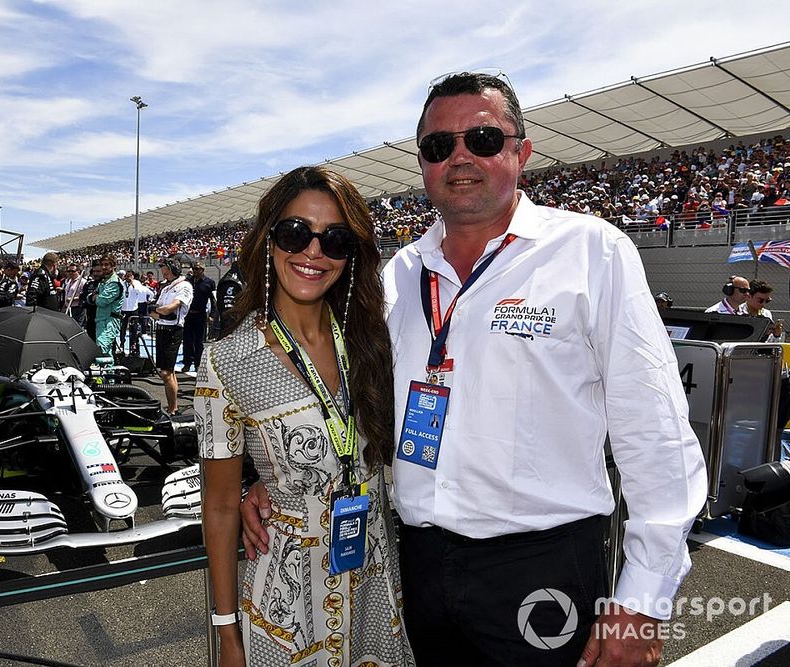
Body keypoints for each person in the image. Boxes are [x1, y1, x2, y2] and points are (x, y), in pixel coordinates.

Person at [242, 72, 707, 666]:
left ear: (522, 151)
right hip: (415, 562)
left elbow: (657, 435)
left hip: (541, 565)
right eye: (440, 146)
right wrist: (281, 478)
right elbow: (361, 411)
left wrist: (643, 603)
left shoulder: (594, 251)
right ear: (424, 164)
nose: (460, 156)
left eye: (483, 139)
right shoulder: (398, 275)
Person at [197, 166, 412, 667]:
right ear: (268, 240)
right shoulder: (226, 361)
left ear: (351, 255)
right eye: (296, 233)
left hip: (376, 594)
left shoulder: (374, 342)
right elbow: (222, 507)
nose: (313, 252)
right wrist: (227, 635)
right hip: (286, 611)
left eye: (334, 240)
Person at [150, 259, 192, 414]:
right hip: (161, 329)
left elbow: (169, 309)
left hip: (173, 331)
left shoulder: (184, 286)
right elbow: (153, 312)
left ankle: (173, 409)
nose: (163, 272)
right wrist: (159, 311)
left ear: (174, 269)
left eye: (166, 269)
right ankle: (171, 406)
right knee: (167, 372)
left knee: (166, 373)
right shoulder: (166, 287)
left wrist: (159, 310)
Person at [181, 261, 215, 373]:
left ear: (202, 270)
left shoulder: (209, 282)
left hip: (200, 314)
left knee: (199, 341)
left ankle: (197, 364)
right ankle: (186, 363)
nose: (195, 271)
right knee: (187, 340)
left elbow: (213, 300)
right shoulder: (188, 282)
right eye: (194, 269)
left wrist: (212, 315)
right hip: (188, 314)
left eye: (197, 269)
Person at [90, 256, 123, 356]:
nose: (104, 267)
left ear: (114, 266)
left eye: (107, 264)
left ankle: (105, 370)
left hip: (110, 321)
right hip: (101, 319)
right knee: (107, 352)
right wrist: (95, 297)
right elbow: (90, 297)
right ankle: (108, 371)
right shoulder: (104, 282)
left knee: (101, 349)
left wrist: (96, 297)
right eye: (102, 265)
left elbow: (101, 301)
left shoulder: (114, 283)